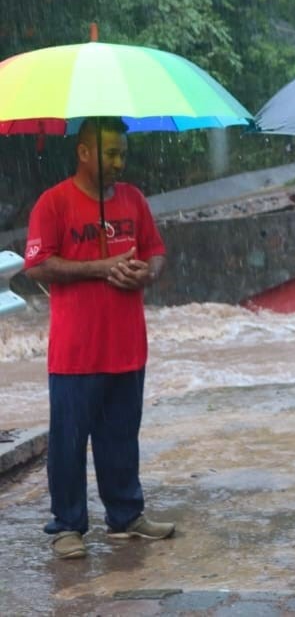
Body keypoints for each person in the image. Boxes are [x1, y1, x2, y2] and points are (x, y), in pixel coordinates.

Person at [23, 117, 173, 560]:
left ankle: (126, 515)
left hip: (127, 346)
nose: (118, 162)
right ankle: (67, 526)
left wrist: (148, 271)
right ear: (84, 153)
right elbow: (36, 267)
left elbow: (157, 251)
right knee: (69, 442)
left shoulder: (133, 200)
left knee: (122, 436)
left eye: (122, 153)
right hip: (76, 352)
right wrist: (98, 268)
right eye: (110, 153)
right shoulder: (54, 204)